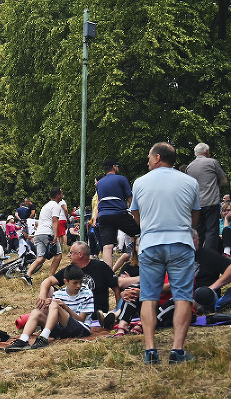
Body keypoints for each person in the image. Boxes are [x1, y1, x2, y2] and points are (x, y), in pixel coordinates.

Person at [131, 142, 201, 364]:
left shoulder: (140, 183)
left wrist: (149, 229)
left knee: (148, 297)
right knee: (183, 297)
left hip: (151, 244)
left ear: (158, 157)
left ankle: (150, 351)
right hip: (181, 242)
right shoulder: (190, 182)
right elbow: (195, 217)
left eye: (149, 157)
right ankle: (177, 351)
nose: (147, 161)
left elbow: (136, 214)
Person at [7, 264, 93, 351]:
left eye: (80, 282)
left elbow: (81, 319)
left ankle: (43, 337)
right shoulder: (58, 294)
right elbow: (52, 318)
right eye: (75, 283)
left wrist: (65, 307)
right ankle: (23, 340)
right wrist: (46, 306)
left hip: (81, 329)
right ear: (66, 281)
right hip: (62, 330)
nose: (78, 286)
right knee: (35, 312)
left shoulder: (87, 294)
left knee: (55, 305)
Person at [35, 241, 119, 328]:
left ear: (80, 254)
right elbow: (47, 281)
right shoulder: (70, 269)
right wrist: (42, 294)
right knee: (49, 289)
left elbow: (116, 288)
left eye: (71, 252)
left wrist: (118, 311)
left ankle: (43, 322)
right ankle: (43, 323)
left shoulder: (100, 267)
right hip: (71, 310)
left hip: (94, 313)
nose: (68, 255)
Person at [95, 158, 140, 267]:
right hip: (119, 213)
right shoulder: (121, 179)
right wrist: (136, 215)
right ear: (114, 167)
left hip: (104, 216)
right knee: (139, 234)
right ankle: (140, 262)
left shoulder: (99, 183)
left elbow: (100, 200)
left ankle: (108, 275)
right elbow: (130, 199)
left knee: (107, 246)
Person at [186, 143, 228, 251]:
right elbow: (223, 179)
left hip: (196, 204)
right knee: (212, 230)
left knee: (199, 230)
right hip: (211, 201)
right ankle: (210, 255)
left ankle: (197, 255)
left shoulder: (190, 167)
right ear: (206, 152)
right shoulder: (212, 162)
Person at [23, 188, 65, 285]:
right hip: (47, 233)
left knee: (41, 258)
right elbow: (55, 221)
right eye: (61, 193)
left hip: (38, 234)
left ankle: (28, 274)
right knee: (58, 255)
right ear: (58, 195)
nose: (62, 195)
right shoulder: (56, 206)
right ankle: (50, 278)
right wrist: (55, 235)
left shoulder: (46, 205)